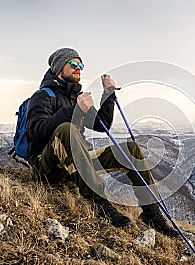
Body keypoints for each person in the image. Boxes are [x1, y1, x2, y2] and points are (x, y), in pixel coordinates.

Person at [26, 47, 178, 237]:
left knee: (131, 150)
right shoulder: (42, 97)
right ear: (59, 67)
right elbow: (36, 131)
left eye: (81, 64)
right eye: (73, 63)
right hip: (48, 166)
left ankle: (151, 213)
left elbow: (102, 125)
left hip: (76, 160)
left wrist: (108, 93)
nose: (78, 68)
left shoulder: (76, 98)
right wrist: (74, 110)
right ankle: (101, 204)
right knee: (67, 129)